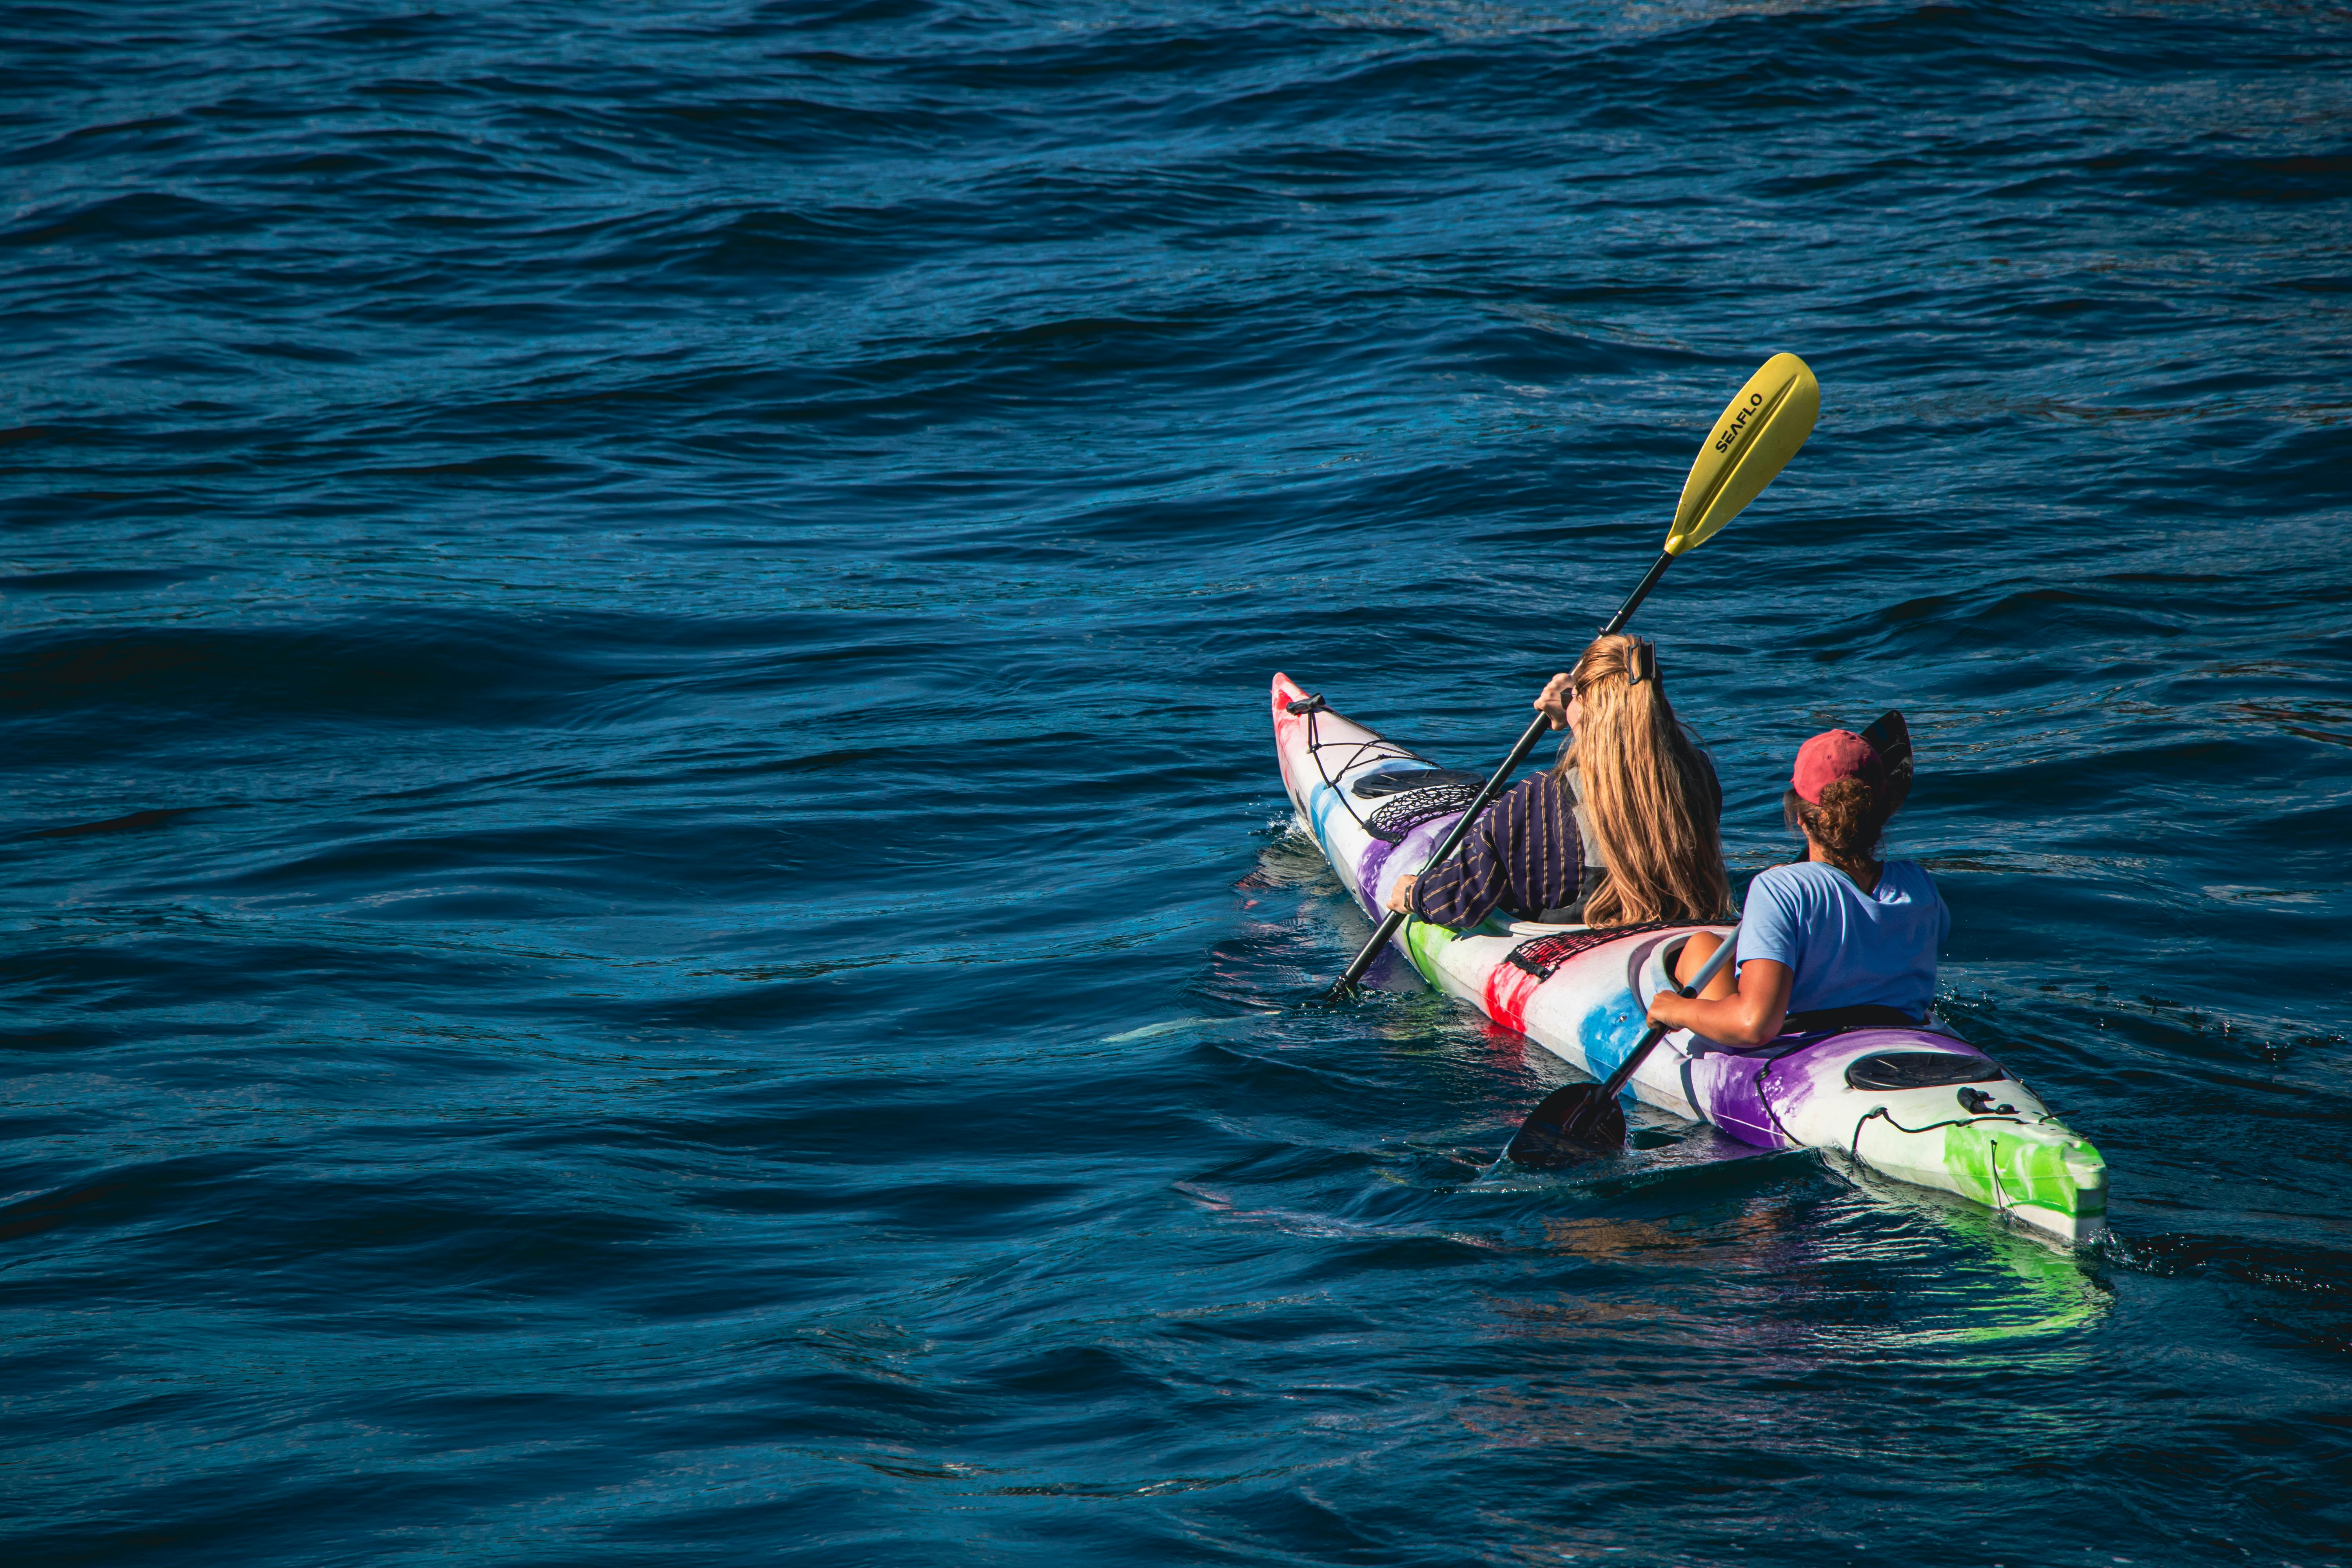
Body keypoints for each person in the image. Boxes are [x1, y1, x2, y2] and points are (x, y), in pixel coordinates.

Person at [1383, 634, 1729, 930]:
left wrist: (1416, 895)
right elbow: (1628, 737)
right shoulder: (1698, 772)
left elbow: (1467, 898)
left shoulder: (1537, 796)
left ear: (1585, 706)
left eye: (1576, 696)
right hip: (1685, 925)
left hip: (1575, 947)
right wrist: (1576, 708)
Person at [1647, 720, 1948, 1045]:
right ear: (1882, 815)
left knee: (1701, 948)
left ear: (1800, 817)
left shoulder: (1779, 889)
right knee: (1707, 945)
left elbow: (1754, 1025)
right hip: (1907, 1035)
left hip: (1801, 1046)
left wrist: (1676, 1009)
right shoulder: (1919, 883)